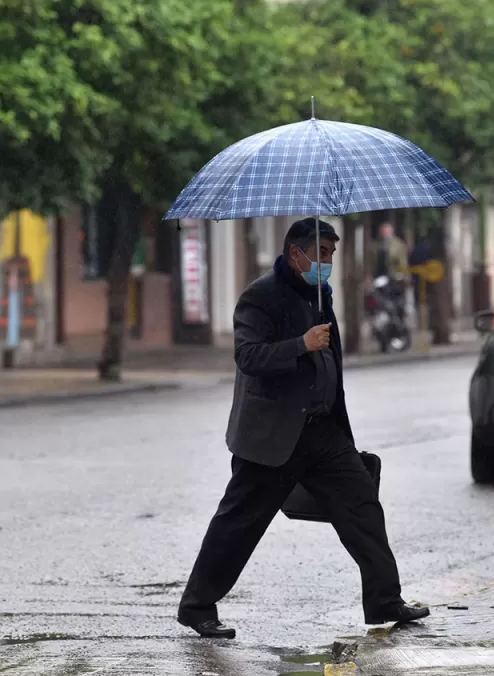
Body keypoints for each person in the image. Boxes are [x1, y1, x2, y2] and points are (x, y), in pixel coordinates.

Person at [177, 218, 429, 639]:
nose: (327, 262)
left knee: (363, 507)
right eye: (322, 254)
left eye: (332, 253)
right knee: (239, 524)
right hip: (272, 436)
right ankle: (197, 606)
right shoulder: (260, 297)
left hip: (322, 432)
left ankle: (386, 600)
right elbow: (249, 357)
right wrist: (301, 344)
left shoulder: (319, 294)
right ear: (296, 254)